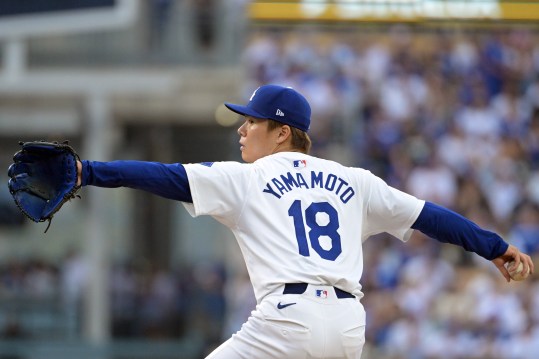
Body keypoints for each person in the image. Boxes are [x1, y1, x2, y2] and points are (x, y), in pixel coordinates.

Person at [76, 84, 534, 358]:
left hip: (286, 322)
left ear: (281, 133)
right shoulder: (354, 180)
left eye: (251, 121)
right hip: (348, 326)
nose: (241, 129)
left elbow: (163, 177)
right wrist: (494, 246)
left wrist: (88, 171)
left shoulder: (247, 178)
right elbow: (431, 217)